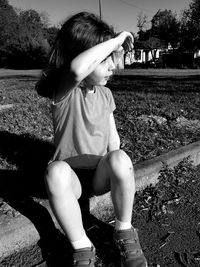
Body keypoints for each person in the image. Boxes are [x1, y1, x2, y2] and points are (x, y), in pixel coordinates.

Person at [36, 11, 148, 267]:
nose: (113, 66)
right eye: (106, 59)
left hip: (98, 175)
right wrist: (117, 39)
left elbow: (113, 143)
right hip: (70, 182)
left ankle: (124, 232)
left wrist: (117, 168)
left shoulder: (106, 94)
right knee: (55, 173)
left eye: (113, 59)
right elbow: (77, 69)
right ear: (84, 55)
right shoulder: (63, 91)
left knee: (120, 157)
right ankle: (82, 247)